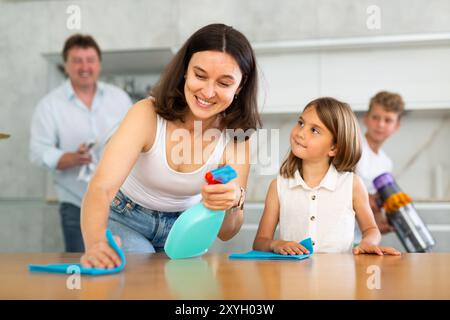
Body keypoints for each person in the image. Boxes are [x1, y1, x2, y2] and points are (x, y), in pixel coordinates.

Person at [80, 23, 262, 269]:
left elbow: (227, 232)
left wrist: (234, 202)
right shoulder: (146, 114)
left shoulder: (238, 135)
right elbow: (100, 188)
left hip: (183, 230)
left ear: (240, 86)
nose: (208, 92)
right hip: (125, 218)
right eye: (200, 75)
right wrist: (96, 244)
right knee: (142, 278)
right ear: (185, 70)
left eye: (224, 83)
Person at [253, 97, 401, 255]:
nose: (301, 133)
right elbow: (260, 241)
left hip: (340, 278)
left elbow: (372, 229)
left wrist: (367, 242)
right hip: (292, 278)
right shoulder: (278, 186)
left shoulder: (352, 184)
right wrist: (275, 244)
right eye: (301, 123)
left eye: (314, 130)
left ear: (334, 148)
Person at [30, 34, 133, 252]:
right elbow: (38, 151)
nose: (84, 66)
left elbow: (135, 139)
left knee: (125, 265)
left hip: (120, 204)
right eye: (77, 60)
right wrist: (69, 158)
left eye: (90, 60)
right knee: (82, 266)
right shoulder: (49, 105)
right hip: (75, 202)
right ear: (66, 66)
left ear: (99, 64)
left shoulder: (120, 98)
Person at [355, 91, 405, 242]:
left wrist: (379, 224)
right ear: (366, 119)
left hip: (363, 239)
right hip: (340, 235)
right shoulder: (353, 147)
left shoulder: (386, 162)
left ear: (396, 126)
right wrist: (365, 198)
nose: (380, 124)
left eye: (388, 120)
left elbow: (375, 203)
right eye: (375, 117)